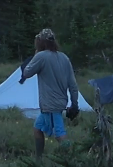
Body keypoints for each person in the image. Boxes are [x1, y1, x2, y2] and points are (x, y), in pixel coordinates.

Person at [18, 28, 79, 157]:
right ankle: (39, 161)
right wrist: (75, 104)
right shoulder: (64, 58)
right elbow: (73, 85)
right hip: (58, 103)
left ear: (41, 42)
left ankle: (74, 160)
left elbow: (26, 72)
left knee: (59, 134)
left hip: (50, 105)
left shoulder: (41, 56)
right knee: (37, 129)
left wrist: (36, 55)